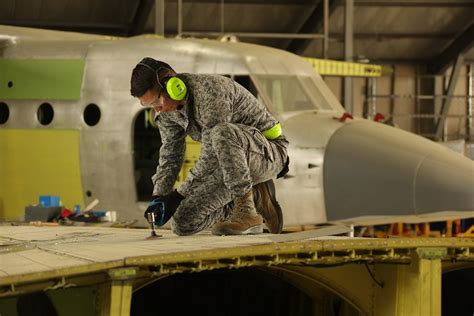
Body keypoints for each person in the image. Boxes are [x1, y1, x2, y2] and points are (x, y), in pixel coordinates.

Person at [130, 57, 289, 236]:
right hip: (231, 168)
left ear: (174, 87)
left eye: (156, 102)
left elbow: (211, 154)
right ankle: (256, 196)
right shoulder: (167, 113)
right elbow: (170, 155)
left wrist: (177, 195)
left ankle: (247, 211)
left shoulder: (210, 91)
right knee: (183, 222)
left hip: (267, 154)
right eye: (150, 105)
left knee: (220, 132)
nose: (157, 110)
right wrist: (158, 196)